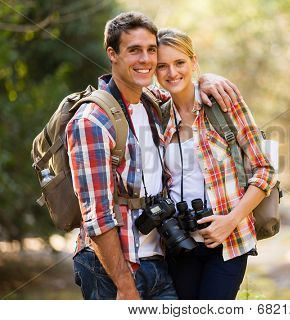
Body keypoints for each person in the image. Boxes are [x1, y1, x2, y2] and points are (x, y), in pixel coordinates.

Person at [66, 12, 242, 300]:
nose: (145, 59)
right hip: (112, 269)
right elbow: (97, 217)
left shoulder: (151, 103)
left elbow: (182, 87)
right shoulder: (91, 121)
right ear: (113, 54)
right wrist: (124, 285)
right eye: (134, 50)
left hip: (158, 260)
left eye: (151, 50)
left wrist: (206, 79)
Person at [155, 28, 277, 299]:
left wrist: (230, 221)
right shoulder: (158, 114)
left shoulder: (223, 104)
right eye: (162, 66)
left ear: (194, 62)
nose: (172, 73)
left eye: (179, 63)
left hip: (229, 241)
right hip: (180, 242)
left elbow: (265, 169)